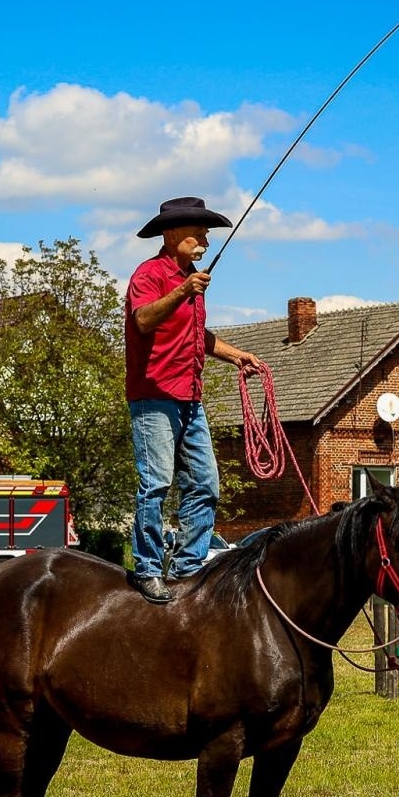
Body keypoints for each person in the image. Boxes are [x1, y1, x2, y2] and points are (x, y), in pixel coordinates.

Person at [124, 196, 263, 603]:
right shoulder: (149, 275)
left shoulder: (194, 282)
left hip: (190, 397)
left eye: (205, 233)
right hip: (154, 397)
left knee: (205, 483)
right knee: (156, 484)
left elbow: (196, 336)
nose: (204, 240)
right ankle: (148, 569)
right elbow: (144, 319)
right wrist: (184, 289)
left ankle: (189, 567)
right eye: (197, 233)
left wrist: (238, 356)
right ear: (171, 235)